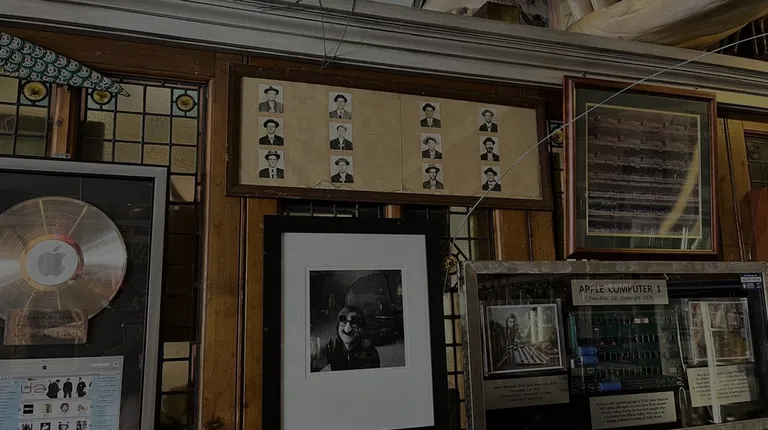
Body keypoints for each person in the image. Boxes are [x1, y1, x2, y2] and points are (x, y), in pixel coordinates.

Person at [310, 305, 380, 372]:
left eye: (354, 323)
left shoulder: (369, 352)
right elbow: (314, 369)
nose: (347, 329)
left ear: (361, 328)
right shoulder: (332, 347)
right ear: (338, 326)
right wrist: (312, 357)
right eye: (344, 322)